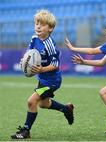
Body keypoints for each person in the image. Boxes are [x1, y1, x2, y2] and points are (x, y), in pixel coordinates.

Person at [11, 9, 74, 139]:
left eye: (42, 24)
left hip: (52, 81)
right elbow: (30, 53)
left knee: (31, 101)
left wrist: (41, 70)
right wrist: (24, 61)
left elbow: (55, 65)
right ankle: (66, 109)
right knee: (43, 103)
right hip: (43, 79)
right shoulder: (34, 38)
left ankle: (26, 130)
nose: (38, 26)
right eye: (36, 23)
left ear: (50, 28)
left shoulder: (50, 45)